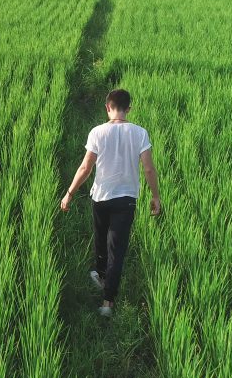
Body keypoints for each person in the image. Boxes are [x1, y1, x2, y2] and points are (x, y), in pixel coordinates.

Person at [60, 88, 161, 317]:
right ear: (129, 109)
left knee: (101, 239)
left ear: (107, 107)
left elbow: (85, 168)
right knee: (117, 248)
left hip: (101, 197)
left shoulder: (97, 132)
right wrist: (155, 196)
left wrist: (69, 193)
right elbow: (148, 168)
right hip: (126, 200)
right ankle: (108, 302)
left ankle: (102, 277)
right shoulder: (140, 133)